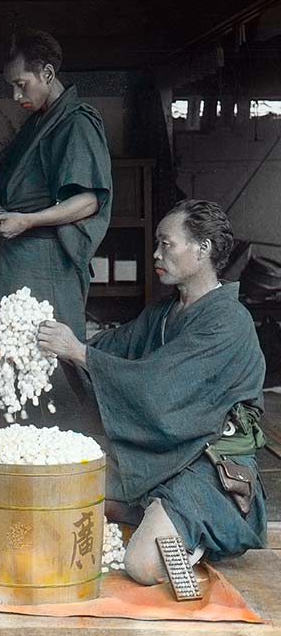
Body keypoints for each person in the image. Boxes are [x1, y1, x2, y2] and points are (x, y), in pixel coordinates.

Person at [37, 200, 266, 585]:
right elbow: (113, 346)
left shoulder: (229, 322)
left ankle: (189, 532)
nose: (156, 253)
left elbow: (161, 389)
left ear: (203, 248)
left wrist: (78, 352)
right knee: (66, 491)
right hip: (162, 450)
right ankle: (155, 510)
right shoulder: (163, 312)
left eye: (167, 243)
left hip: (206, 461)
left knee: (142, 566)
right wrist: (64, 347)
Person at [0, 29, 112, 423]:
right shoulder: (38, 121)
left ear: (46, 73)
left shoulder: (77, 122)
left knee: (47, 353)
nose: (15, 96)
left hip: (47, 257)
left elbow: (87, 201)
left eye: (20, 84)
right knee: (9, 349)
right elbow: (18, 164)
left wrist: (27, 220)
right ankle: (12, 439)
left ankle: (59, 443)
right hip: (19, 252)